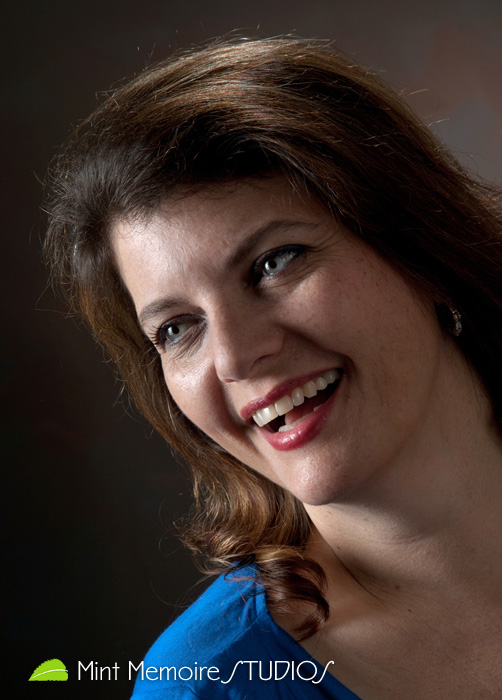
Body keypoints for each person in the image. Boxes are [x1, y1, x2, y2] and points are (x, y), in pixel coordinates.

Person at [45, 37, 502, 699]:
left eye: (273, 263)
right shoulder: (206, 685)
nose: (235, 357)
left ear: (421, 246)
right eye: (178, 328)